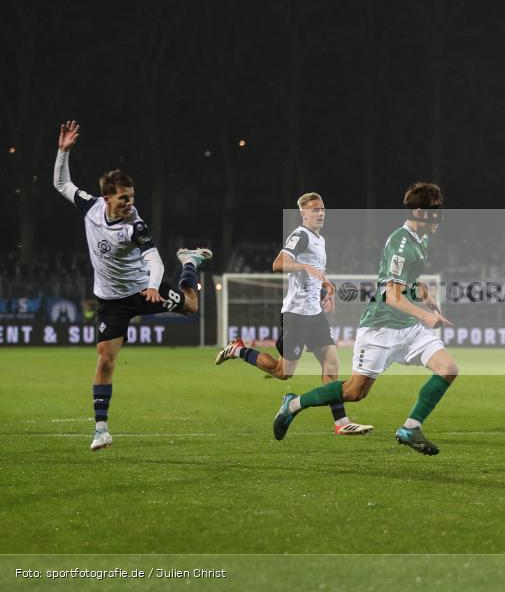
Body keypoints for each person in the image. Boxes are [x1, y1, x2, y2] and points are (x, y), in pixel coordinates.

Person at [53, 121, 213, 450]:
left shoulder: (134, 226)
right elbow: (61, 184)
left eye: (132, 197)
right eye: (124, 198)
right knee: (105, 360)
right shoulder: (90, 207)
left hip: (142, 290)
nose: (130, 203)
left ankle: (190, 263)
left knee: (192, 306)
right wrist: (62, 151)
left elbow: (154, 258)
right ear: (107, 197)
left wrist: (154, 286)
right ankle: (101, 429)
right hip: (111, 302)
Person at [271, 182, 457, 455]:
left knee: (449, 369)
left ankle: (410, 428)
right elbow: (392, 296)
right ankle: (294, 404)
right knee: (354, 392)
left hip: (407, 327)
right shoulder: (400, 244)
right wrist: (425, 316)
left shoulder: (423, 238)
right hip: (381, 327)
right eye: (434, 211)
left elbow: (406, 283)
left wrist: (423, 293)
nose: (439, 217)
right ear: (419, 212)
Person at [214, 192, 372, 435]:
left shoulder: (320, 240)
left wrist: (328, 288)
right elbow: (278, 264)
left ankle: (341, 423)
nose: (320, 213)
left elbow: (316, 274)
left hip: (315, 314)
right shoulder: (301, 235)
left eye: (322, 209)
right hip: (296, 315)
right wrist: (304, 265)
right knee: (283, 372)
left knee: (331, 365)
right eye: (314, 210)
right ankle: (238, 350)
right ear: (303, 214)